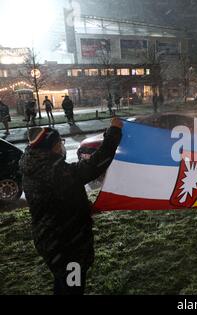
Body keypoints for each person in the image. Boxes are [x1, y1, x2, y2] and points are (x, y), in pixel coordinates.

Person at [19, 117, 123, 295]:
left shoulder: (34, 166)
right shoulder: (54, 171)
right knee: (73, 289)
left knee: (64, 283)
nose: (62, 146)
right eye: (60, 142)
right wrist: (114, 133)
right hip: (67, 247)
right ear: (52, 147)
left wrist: (82, 206)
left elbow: (57, 197)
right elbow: (94, 165)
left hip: (51, 241)